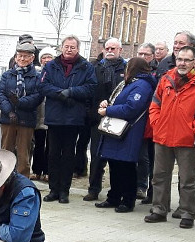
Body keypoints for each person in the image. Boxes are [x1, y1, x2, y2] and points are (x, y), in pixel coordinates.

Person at [145, 46, 195, 229]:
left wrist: (192, 129)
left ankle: (187, 213)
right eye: (179, 59)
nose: (182, 63)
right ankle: (159, 210)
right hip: (163, 135)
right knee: (159, 176)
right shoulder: (166, 78)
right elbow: (154, 104)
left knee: (187, 179)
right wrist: (157, 124)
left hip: (187, 139)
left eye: (186, 60)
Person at [39, 35, 97, 204]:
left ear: (78, 49)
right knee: (53, 154)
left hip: (73, 117)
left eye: (72, 47)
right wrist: (60, 94)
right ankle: (53, 189)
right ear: (61, 47)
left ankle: (64, 190)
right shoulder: (51, 66)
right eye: (66, 46)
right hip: (54, 117)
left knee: (68, 155)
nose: (69, 49)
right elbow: (43, 86)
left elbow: (90, 87)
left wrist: (71, 92)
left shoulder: (86, 67)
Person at [94, 58, 156, 213]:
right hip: (118, 131)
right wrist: (107, 104)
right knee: (115, 165)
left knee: (126, 167)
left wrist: (108, 111)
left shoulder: (142, 85)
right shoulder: (129, 83)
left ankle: (128, 200)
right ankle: (113, 197)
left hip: (129, 131)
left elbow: (131, 108)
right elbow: (118, 100)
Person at [81, 37, 126, 202]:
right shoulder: (95, 68)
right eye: (108, 48)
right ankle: (93, 189)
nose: (110, 51)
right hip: (97, 119)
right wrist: (91, 112)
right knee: (96, 156)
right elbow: (88, 92)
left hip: (119, 119)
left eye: (114, 48)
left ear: (120, 50)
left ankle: (117, 191)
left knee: (116, 158)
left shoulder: (126, 69)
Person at [0, 42, 42, 177]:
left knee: (23, 155)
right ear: (15, 57)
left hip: (26, 120)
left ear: (32, 58)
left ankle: (22, 182)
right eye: (20, 56)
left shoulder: (36, 77)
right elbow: (0, 94)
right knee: (5, 152)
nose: (22, 59)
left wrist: (19, 102)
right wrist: (9, 111)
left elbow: (37, 97)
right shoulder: (7, 75)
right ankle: (3, 180)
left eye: (26, 56)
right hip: (7, 119)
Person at [135, 42, 157, 202]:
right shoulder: (132, 69)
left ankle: (144, 187)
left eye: (146, 55)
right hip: (134, 122)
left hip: (150, 122)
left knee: (146, 157)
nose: (143, 57)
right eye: (140, 54)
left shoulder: (156, 73)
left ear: (153, 56)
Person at [30, 47, 56, 182]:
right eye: (44, 58)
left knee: (50, 146)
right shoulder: (36, 74)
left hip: (51, 115)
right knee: (38, 145)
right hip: (38, 115)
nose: (46, 60)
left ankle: (47, 171)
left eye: (49, 57)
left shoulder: (56, 73)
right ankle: (36, 170)